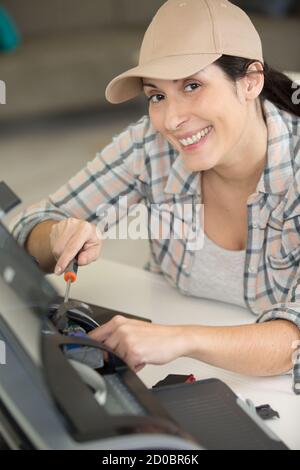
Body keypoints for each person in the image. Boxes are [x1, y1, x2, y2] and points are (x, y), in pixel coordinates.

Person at [11, 0, 300, 391]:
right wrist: (55, 235)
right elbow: (28, 229)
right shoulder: (151, 147)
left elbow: (294, 343)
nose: (171, 120)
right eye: (156, 96)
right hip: (180, 375)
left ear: (250, 81)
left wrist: (180, 338)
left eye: (192, 86)